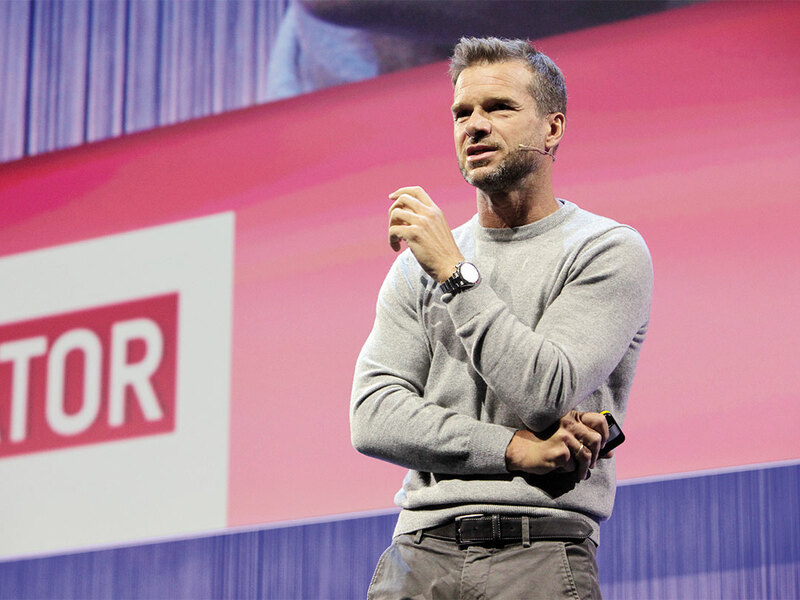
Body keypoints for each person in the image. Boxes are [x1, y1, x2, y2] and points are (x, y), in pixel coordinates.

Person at [350, 37, 653, 599]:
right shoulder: (420, 262)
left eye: (499, 107)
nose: (475, 125)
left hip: (540, 546)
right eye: (462, 112)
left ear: (552, 129)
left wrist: (455, 273)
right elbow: (373, 416)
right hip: (419, 552)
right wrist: (514, 448)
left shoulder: (606, 250)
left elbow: (544, 391)